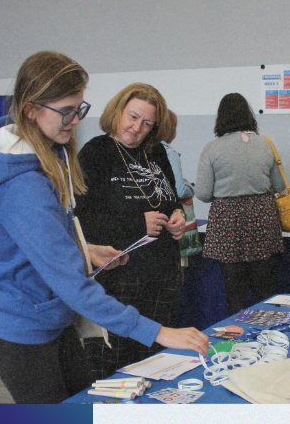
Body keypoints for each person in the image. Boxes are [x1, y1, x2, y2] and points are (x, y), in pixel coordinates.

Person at [0, 52, 208, 404]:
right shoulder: (25, 186)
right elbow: (70, 283)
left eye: (78, 109)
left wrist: (87, 251)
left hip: (55, 327)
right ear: (30, 109)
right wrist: (158, 332)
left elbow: (43, 243)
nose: (74, 120)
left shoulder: (51, 159)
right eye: (66, 110)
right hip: (25, 336)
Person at [74, 83, 188, 381]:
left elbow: (170, 198)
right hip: (121, 282)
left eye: (147, 123)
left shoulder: (157, 153)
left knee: (158, 364)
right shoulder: (96, 153)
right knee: (119, 367)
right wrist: (138, 223)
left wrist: (178, 215)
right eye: (133, 117)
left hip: (162, 278)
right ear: (118, 111)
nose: (137, 128)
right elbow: (83, 219)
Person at [195, 93, 286, 317]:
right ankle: (269, 336)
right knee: (265, 288)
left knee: (234, 292)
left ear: (221, 118)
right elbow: (279, 186)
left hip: (228, 222)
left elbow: (204, 193)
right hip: (262, 217)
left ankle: (238, 340)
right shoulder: (265, 144)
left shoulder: (212, 148)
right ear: (249, 115)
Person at [161, 110, 197, 275]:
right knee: (177, 275)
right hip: (173, 223)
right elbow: (179, 191)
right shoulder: (169, 153)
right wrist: (191, 187)